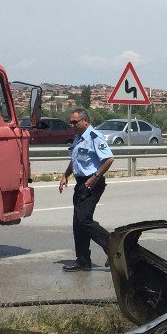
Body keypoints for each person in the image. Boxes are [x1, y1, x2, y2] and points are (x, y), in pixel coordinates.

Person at [59, 109, 115, 271]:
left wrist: (95, 177)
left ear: (85, 122)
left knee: (84, 220)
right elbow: (75, 160)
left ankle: (113, 247)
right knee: (78, 222)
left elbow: (109, 159)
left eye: (75, 122)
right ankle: (83, 259)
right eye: (71, 122)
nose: (72, 125)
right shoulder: (78, 138)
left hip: (93, 183)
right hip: (81, 182)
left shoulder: (94, 137)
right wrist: (65, 175)